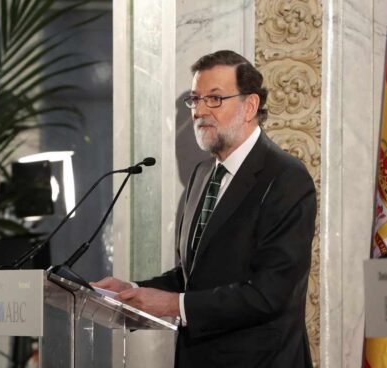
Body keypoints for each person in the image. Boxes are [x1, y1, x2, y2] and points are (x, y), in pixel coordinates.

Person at [93, 50, 316, 368]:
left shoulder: (285, 177)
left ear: (249, 106)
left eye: (214, 99)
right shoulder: (201, 177)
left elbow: (270, 293)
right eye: (195, 100)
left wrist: (173, 304)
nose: (199, 111)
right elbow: (192, 278)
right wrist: (133, 291)